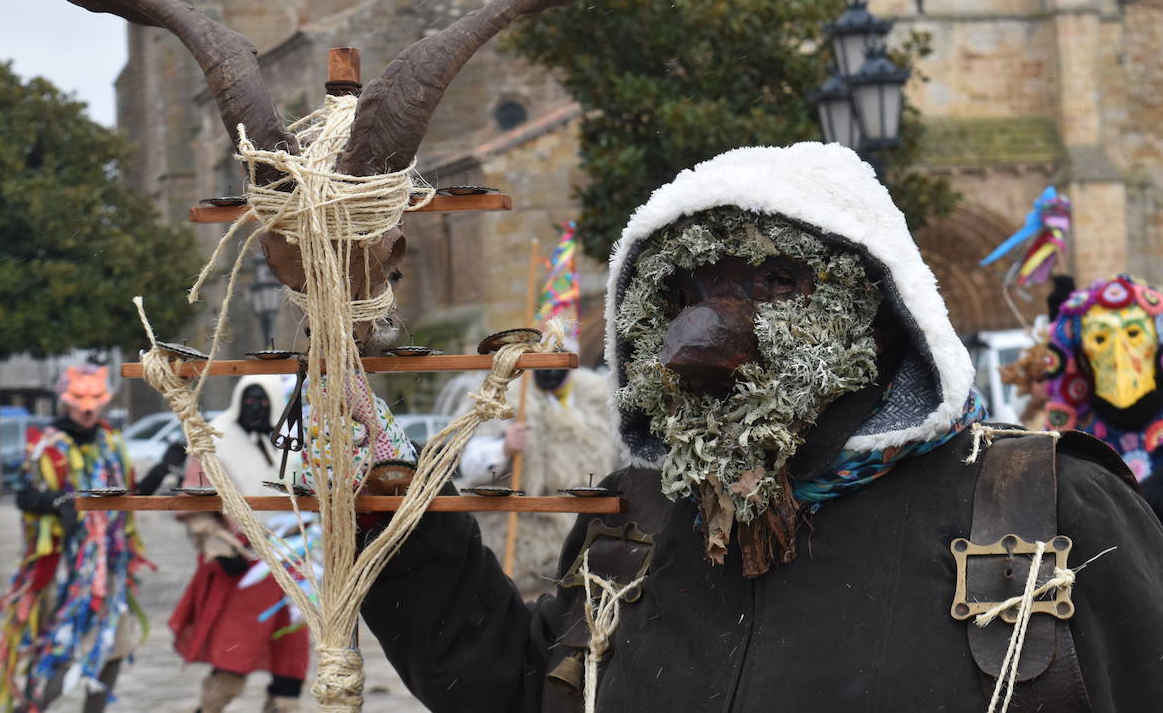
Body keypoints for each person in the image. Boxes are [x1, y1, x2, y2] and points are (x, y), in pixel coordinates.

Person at [359, 143, 1163, 711]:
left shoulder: (1050, 510)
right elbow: (522, 689)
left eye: (775, 282)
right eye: (688, 291)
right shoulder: (635, 523)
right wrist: (375, 455)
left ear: (879, 314)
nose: (711, 324)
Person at [0, 364, 162, 712]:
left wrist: (165, 466)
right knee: (61, 656)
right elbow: (24, 497)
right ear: (65, 400)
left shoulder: (111, 443)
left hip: (110, 572)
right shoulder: (47, 446)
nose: (88, 406)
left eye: (95, 398)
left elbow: (131, 496)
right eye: (79, 397)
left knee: (114, 649)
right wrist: (57, 502)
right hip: (63, 572)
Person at [169, 374, 310, 713]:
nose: (256, 407)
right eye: (249, 399)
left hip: (292, 561)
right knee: (235, 654)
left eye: (263, 400)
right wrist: (218, 545)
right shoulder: (215, 437)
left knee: (291, 663)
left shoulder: (292, 439)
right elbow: (196, 507)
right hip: (243, 564)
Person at [440, 352, 617, 593]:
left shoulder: (599, 402)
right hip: (520, 543)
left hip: (581, 542)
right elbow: (469, 461)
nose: (550, 369)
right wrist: (504, 446)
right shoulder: (506, 399)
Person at [1043, 273, 1163, 520]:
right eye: (1100, 339)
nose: (1119, 358)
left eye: (1133, 334)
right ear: (1082, 355)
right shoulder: (1075, 435)